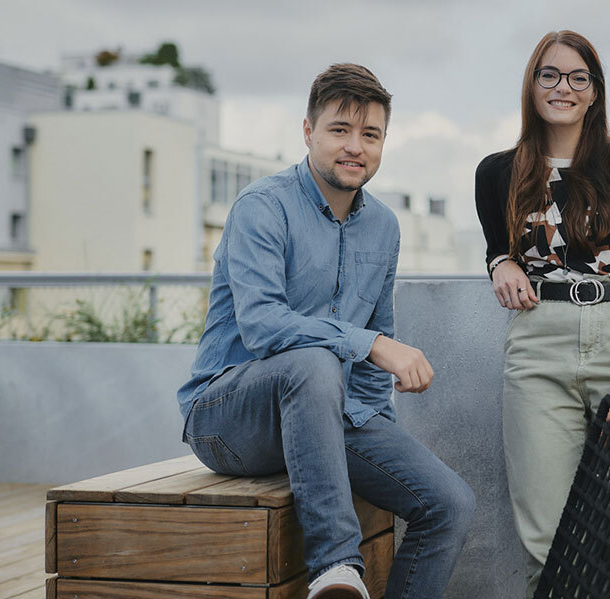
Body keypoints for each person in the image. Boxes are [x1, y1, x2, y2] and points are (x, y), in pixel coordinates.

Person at [178, 63, 475, 599]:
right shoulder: (261, 208)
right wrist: (374, 346)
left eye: (371, 134)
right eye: (340, 129)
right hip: (226, 420)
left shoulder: (383, 225)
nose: (355, 146)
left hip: (327, 416)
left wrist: (379, 430)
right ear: (308, 131)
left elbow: (371, 347)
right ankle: (336, 570)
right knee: (312, 360)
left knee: (449, 503)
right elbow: (265, 327)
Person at [475, 31, 610, 598]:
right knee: (552, 546)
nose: (562, 87)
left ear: (595, 92)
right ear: (531, 84)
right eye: (549, 74)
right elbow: (499, 245)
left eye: (577, 77)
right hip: (540, 347)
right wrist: (499, 264)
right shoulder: (497, 172)